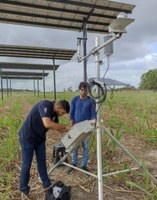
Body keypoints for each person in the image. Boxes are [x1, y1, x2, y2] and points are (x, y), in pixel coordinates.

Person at [19, 99, 70, 197]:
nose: (62, 115)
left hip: (40, 139)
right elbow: (47, 124)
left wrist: (71, 130)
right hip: (27, 137)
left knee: (42, 161)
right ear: (58, 108)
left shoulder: (55, 115)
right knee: (26, 164)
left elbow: (57, 127)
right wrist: (65, 126)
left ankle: (46, 184)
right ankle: (24, 189)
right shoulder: (45, 105)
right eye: (62, 113)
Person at [67, 81, 96, 175]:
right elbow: (71, 113)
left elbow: (93, 114)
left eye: (86, 90)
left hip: (86, 126)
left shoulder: (91, 101)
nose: (84, 92)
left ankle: (84, 165)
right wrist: (71, 125)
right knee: (74, 146)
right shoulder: (75, 99)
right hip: (76, 126)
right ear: (79, 89)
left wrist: (93, 124)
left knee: (86, 147)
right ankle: (74, 163)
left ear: (88, 91)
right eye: (82, 90)